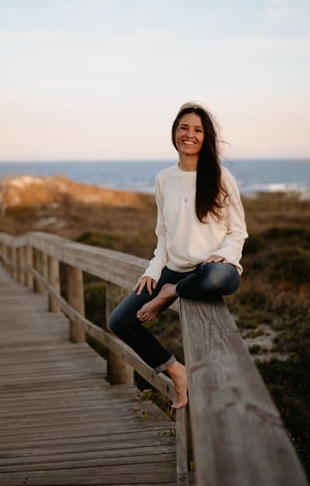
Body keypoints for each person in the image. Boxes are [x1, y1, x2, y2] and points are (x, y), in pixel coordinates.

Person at [108, 102, 248, 409]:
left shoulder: (222, 177)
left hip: (215, 269)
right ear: (175, 132)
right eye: (184, 127)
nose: (190, 135)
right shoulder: (163, 179)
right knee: (120, 321)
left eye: (197, 130)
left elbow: (238, 232)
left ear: (205, 137)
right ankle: (177, 371)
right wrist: (153, 272)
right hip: (175, 269)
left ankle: (172, 293)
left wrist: (223, 256)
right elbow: (163, 238)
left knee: (213, 278)